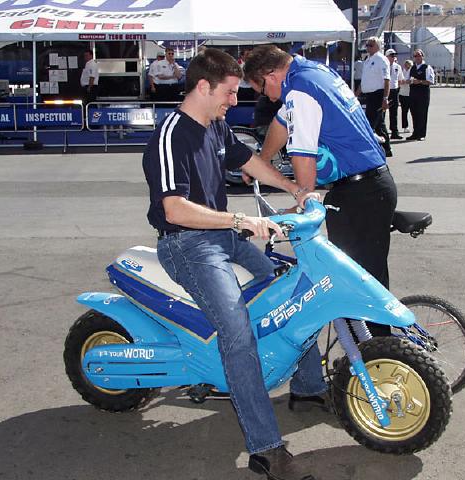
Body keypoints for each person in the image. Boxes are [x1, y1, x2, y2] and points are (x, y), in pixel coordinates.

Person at [142, 47, 324, 480]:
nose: (234, 100)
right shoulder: (172, 134)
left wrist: (294, 189)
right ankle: (265, 449)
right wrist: (242, 220)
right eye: (228, 92)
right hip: (188, 245)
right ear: (203, 87)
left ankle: (309, 388)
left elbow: (249, 161)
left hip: (223, 235)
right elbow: (174, 209)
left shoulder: (216, 125)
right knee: (237, 331)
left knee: (295, 291)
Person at [243, 45, 398, 300]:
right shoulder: (310, 74)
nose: (267, 98)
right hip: (366, 188)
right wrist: (261, 163)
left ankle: (377, 330)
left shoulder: (300, 90)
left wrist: (301, 203)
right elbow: (281, 124)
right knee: (359, 284)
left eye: (261, 90)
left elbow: (302, 154)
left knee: (359, 292)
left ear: (270, 76)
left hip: (359, 194)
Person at [355, 37, 393, 157]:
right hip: (369, 95)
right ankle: (386, 148)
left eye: (370, 45)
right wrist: (356, 94)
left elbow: (387, 80)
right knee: (379, 123)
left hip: (378, 94)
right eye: (367, 45)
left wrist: (385, 98)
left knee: (370, 123)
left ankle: (370, 150)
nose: (368, 48)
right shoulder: (367, 60)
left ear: (377, 46)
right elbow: (364, 80)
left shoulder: (381, 59)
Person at [407, 49, 435, 141]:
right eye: (415, 56)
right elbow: (407, 79)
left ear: (422, 56)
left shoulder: (427, 67)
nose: (417, 58)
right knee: (414, 113)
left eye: (419, 55)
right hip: (413, 93)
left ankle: (422, 134)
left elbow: (431, 81)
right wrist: (409, 81)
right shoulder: (412, 68)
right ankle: (415, 133)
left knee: (422, 114)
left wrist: (419, 81)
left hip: (423, 94)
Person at [385, 49, 404, 139]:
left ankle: (394, 131)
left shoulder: (397, 67)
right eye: (391, 56)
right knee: (382, 112)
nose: (393, 57)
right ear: (387, 56)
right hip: (385, 90)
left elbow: (400, 79)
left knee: (394, 112)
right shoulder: (383, 65)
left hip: (394, 90)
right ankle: (381, 131)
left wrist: (397, 89)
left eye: (394, 56)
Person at [399, 59, 413, 133]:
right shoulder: (402, 71)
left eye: (409, 64)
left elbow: (411, 80)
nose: (407, 66)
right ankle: (405, 126)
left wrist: (405, 81)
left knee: (413, 111)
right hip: (402, 94)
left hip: (411, 94)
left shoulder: (412, 71)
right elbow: (399, 80)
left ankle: (415, 127)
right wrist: (404, 82)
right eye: (406, 64)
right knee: (404, 111)